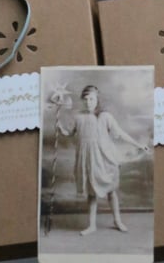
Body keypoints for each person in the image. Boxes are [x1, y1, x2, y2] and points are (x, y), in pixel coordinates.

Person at [51, 85, 148, 235]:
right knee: (92, 193)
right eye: (85, 99)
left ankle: (117, 221)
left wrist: (138, 144)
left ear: (97, 100)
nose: (88, 102)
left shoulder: (105, 116)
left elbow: (120, 133)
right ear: (82, 100)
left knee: (111, 191)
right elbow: (70, 133)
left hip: (104, 158)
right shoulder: (78, 117)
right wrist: (61, 128)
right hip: (88, 160)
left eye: (91, 99)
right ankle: (92, 225)